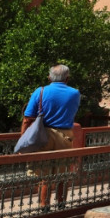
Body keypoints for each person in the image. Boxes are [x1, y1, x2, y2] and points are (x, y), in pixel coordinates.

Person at [21, 64, 81, 207]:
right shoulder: (75, 93)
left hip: (43, 135)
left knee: (44, 176)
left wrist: (23, 139)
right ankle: (61, 204)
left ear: (49, 78)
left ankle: (44, 206)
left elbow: (27, 118)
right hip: (65, 136)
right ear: (67, 78)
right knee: (63, 175)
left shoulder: (40, 91)